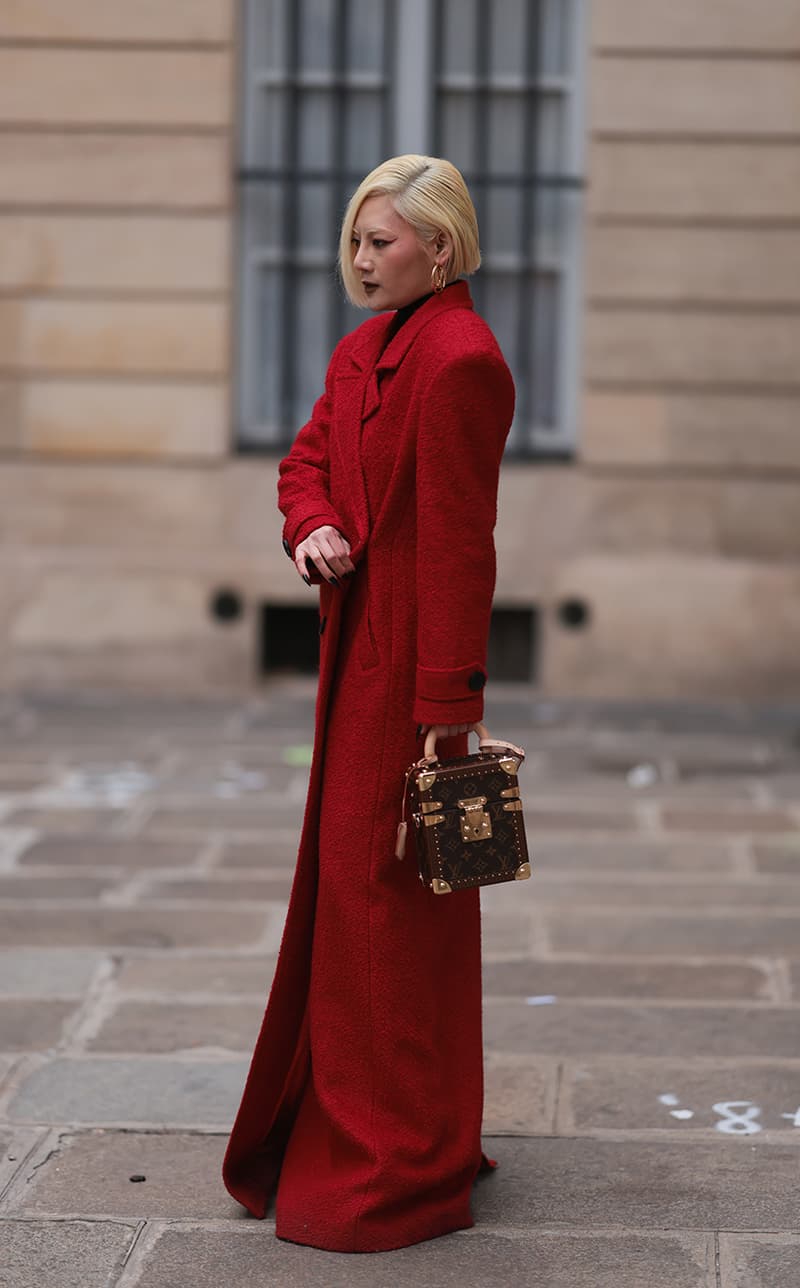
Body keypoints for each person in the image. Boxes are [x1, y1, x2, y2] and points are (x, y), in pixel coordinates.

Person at [223, 154, 516, 1253]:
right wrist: (312, 526)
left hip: (405, 683)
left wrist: (447, 717)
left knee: (390, 909)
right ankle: (387, 1127)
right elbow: (305, 462)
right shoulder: (365, 349)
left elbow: (457, 550)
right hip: (356, 663)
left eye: (379, 241)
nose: (358, 257)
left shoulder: (458, 361)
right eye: (353, 239)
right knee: (357, 905)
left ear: (439, 247)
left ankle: (396, 1161)